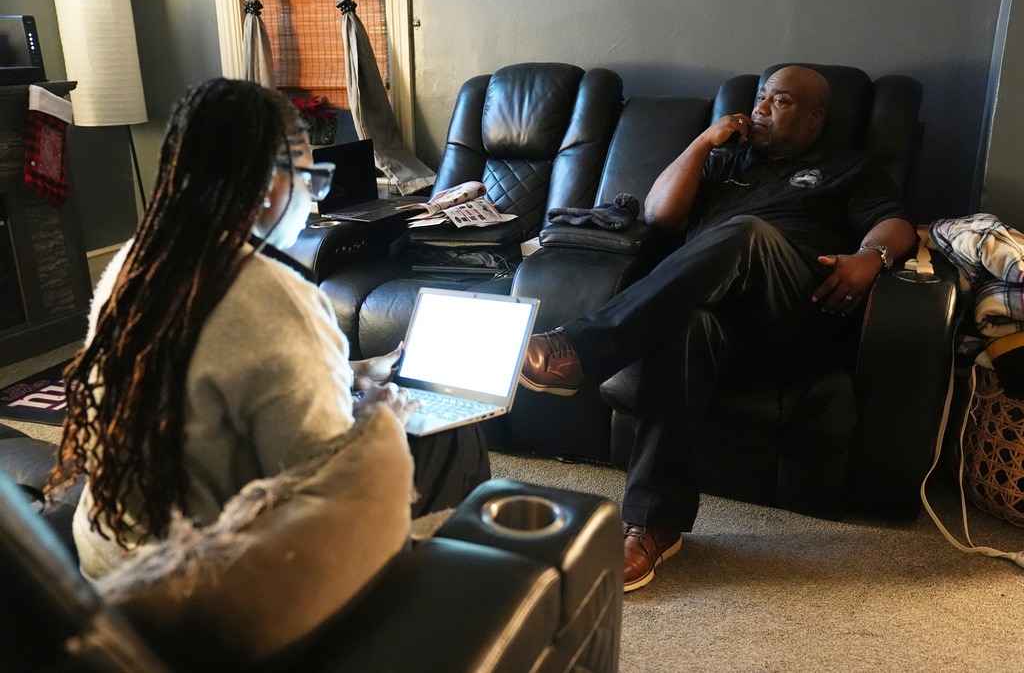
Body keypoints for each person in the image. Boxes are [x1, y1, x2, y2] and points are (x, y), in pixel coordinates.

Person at [519, 66, 918, 592]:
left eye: (781, 101)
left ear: (815, 117)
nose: (762, 109)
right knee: (688, 327)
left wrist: (873, 257)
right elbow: (661, 215)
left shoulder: (848, 168)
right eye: (760, 98)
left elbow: (897, 225)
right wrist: (704, 141)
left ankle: (579, 349)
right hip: (725, 325)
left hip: (796, 308)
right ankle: (654, 525)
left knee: (747, 233)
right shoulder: (726, 162)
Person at [45, 78, 421, 579]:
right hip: (201, 587)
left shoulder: (133, 265)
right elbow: (326, 488)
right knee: (444, 444)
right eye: (311, 178)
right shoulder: (277, 297)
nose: (313, 195)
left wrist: (346, 372)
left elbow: (200, 371)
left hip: (109, 559)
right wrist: (382, 429)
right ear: (267, 183)